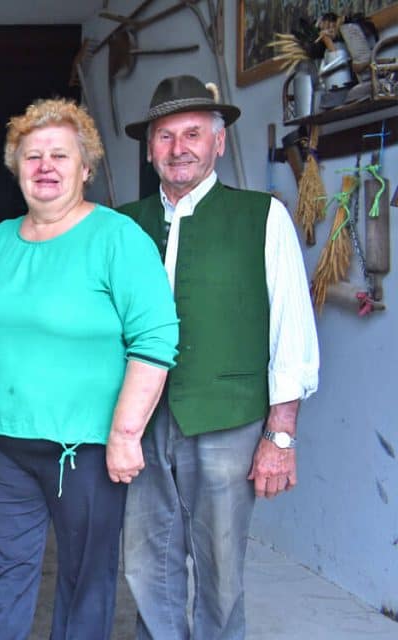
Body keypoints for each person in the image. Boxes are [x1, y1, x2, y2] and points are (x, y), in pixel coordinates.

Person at [0, 98, 179, 639]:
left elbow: (155, 339)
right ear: (16, 169)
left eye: (60, 155)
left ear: (86, 169)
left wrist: (126, 434)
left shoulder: (117, 238)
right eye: (32, 156)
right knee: (3, 573)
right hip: (8, 443)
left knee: (86, 580)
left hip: (85, 450)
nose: (45, 166)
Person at [119, 75, 319, 640]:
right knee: (144, 559)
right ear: (150, 148)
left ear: (219, 143)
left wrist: (280, 436)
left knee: (221, 566)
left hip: (228, 417)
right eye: (164, 136)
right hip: (141, 418)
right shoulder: (123, 225)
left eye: (191, 134)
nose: (178, 148)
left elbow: (292, 329)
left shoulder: (262, 216)